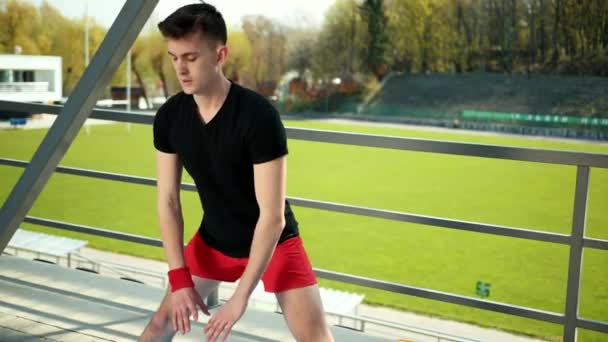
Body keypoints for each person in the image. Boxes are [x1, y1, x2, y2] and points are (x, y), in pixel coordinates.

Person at [139, 3, 334, 342]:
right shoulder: (170, 117)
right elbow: (168, 201)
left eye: (191, 57)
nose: (180, 69)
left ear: (220, 55)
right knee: (158, 326)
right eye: (174, 57)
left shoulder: (258, 116)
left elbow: (273, 217)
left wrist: (239, 298)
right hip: (214, 240)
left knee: (316, 339)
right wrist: (179, 277)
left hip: (274, 243)